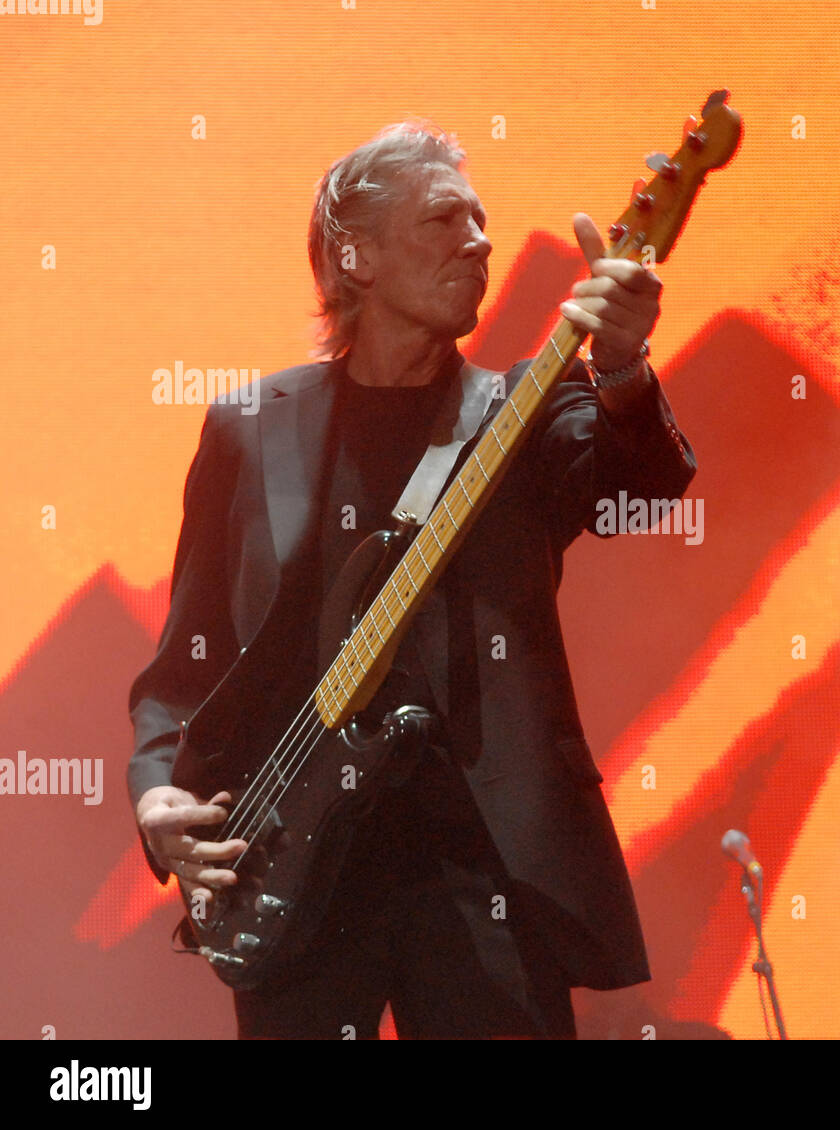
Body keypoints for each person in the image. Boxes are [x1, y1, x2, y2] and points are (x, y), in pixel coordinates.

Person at [126, 121, 696, 1039]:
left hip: (485, 874)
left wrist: (622, 366)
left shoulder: (526, 408)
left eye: (482, 222)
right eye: (443, 220)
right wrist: (158, 793)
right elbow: (187, 661)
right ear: (353, 255)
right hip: (295, 872)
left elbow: (646, 485)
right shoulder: (249, 427)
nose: (479, 240)